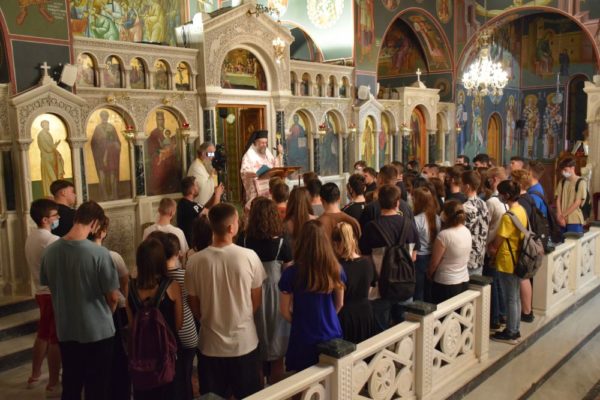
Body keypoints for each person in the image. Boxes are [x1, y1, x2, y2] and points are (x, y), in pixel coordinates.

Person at [40, 201, 120, 400]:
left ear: (76, 218)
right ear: (94, 223)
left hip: (66, 329)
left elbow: (50, 285)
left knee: (71, 384)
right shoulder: (99, 253)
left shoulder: (49, 251)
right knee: (97, 388)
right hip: (97, 331)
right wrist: (107, 314)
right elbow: (113, 296)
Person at [185, 203, 266, 398]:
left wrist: (210, 318)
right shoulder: (249, 257)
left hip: (210, 344)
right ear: (231, 228)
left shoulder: (194, 261)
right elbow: (256, 300)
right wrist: (241, 316)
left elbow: (194, 304)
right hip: (243, 342)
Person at [237, 197, 292, 384]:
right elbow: (288, 271)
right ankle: (277, 390)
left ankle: (260, 390)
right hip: (276, 296)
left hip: (251, 294)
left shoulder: (244, 239)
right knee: (277, 350)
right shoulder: (282, 241)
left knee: (256, 350)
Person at [278, 220, 345, 372]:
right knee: (331, 379)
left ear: (301, 242)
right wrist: (326, 317)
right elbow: (340, 303)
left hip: (303, 334)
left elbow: (284, 311)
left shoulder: (291, 273)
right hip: (331, 330)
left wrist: (300, 321)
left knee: (304, 379)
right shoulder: (336, 269)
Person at [127, 238, 183, 399]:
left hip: (141, 359)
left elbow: (132, 325)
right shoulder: (171, 286)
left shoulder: (130, 288)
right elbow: (178, 324)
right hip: (166, 359)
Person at [359, 184, 418, 332]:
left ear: (379, 203)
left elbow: (366, 259)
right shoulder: (409, 225)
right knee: (405, 328)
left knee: (380, 330)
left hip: (380, 287)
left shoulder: (371, 228)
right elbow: (414, 256)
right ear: (397, 203)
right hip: (405, 284)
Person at [147, 232, 197, 400]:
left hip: (163, 335)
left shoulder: (155, 278)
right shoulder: (183, 276)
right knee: (185, 375)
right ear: (177, 253)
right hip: (185, 332)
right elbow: (193, 303)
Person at [90, 216, 130, 400]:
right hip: (112, 311)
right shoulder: (112, 256)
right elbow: (123, 284)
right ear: (103, 232)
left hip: (91, 312)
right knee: (117, 357)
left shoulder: (80, 255)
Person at [24, 199, 61, 396]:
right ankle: (53, 383)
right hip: (52, 293)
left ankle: (35, 375)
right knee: (54, 339)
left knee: (43, 334)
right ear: (45, 219)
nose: (58, 218)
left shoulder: (31, 236)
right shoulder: (52, 240)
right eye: (55, 215)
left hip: (40, 292)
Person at [489, 180, 527, 345]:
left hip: (507, 259)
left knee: (510, 298)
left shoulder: (508, 216)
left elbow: (499, 240)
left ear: (506, 195)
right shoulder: (521, 210)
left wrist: (492, 248)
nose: (499, 196)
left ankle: (511, 332)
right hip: (518, 257)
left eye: (500, 193)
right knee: (515, 297)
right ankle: (515, 328)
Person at [332, 222, 375, 344]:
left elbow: (339, 303)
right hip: (365, 313)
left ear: (337, 244)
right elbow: (370, 289)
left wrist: (330, 319)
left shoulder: (338, 267)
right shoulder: (367, 262)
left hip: (346, 316)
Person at [427, 201, 472, 304]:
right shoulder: (466, 231)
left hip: (445, 283)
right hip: (463, 279)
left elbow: (434, 262)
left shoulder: (444, 235)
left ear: (446, 215)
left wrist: (429, 273)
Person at [484, 167, 508, 331]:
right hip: (501, 246)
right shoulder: (505, 201)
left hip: (492, 245)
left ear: (494, 180)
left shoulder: (492, 202)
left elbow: (487, 225)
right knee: (499, 282)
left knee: (493, 282)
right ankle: (502, 313)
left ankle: (494, 317)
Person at [240, 130, 283, 209]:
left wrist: (279, 154)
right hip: (256, 189)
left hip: (269, 187)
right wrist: (255, 174)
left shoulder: (267, 152)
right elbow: (243, 172)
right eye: (262, 143)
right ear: (256, 142)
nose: (265, 145)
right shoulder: (249, 155)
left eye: (266, 143)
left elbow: (275, 164)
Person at [413, 187, 441, 302]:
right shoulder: (437, 218)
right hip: (433, 255)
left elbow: (413, 242)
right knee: (429, 290)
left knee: (418, 291)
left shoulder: (416, 220)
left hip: (420, 257)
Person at [461, 170, 489, 275]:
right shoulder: (483, 204)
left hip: (469, 258)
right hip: (480, 255)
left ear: (467, 186)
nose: (460, 185)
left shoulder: (466, 207)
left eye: (461, 183)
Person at [147, 111, 180, 195]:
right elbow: (151, 147)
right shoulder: (154, 133)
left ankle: (171, 188)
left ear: (164, 120)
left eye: (162, 119)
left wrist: (171, 149)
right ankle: (157, 188)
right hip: (157, 154)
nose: (160, 121)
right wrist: (159, 151)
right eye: (158, 119)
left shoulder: (167, 132)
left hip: (169, 154)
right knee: (158, 163)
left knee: (173, 162)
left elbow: (172, 144)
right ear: (156, 121)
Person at [91, 110, 121, 201]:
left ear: (107, 117)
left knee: (112, 175)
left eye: (106, 116)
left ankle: (114, 195)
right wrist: (101, 142)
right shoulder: (98, 128)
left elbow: (117, 141)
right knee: (102, 176)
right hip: (100, 155)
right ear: (101, 117)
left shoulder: (111, 127)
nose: (104, 117)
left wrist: (115, 144)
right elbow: (93, 143)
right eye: (103, 116)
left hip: (111, 155)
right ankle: (104, 196)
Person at [556, 157, 586, 234]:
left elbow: (577, 202)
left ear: (572, 168)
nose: (563, 172)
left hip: (574, 220)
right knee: (561, 241)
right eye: (562, 170)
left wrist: (562, 216)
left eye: (565, 170)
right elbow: (558, 199)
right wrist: (559, 215)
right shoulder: (562, 182)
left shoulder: (581, 182)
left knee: (574, 240)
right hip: (562, 220)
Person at [37, 120, 65, 197]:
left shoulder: (48, 134)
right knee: (52, 178)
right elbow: (47, 148)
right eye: (46, 124)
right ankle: (53, 195)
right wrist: (55, 146)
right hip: (46, 159)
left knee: (55, 177)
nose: (48, 126)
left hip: (52, 158)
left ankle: (56, 195)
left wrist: (55, 146)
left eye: (48, 124)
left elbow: (51, 146)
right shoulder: (41, 135)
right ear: (43, 125)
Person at [187, 142, 216, 207]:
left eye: (213, 153)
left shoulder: (202, 165)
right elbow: (203, 189)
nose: (213, 156)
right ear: (203, 153)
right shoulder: (196, 167)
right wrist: (212, 176)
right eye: (210, 153)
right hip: (198, 206)